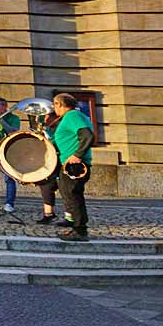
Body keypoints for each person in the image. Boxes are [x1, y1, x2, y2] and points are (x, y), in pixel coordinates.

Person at [50, 92, 94, 241]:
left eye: (54, 105)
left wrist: (77, 155)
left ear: (60, 104)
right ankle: (75, 224)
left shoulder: (72, 116)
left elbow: (87, 135)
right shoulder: (76, 116)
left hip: (74, 165)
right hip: (70, 164)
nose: (53, 108)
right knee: (71, 194)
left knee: (72, 195)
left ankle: (80, 231)